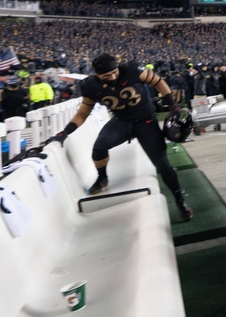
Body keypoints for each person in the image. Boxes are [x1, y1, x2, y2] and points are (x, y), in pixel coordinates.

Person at [48, 54, 193, 221]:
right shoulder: (90, 86)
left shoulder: (131, 70)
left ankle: (180, 201)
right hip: (122, 121)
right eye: (106, 76)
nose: (112, 77)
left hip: (146, 121)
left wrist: (172, 105)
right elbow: (83, 113)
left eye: (114, 73)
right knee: (99, 148)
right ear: (96, 75)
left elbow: (158, 81)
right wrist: (64, 133)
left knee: (163, 164)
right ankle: (102, 177)